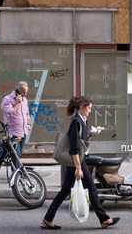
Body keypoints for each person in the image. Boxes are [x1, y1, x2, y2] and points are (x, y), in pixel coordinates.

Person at [41, 96, 120, 230]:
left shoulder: (83, 121)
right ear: (82, 107)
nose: (90, 111)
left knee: (65, 190)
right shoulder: (75, 122)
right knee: (92, 188)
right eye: (89, 108)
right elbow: (74, 148)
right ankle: (104, 219)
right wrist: (78, 167)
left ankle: (47, 219)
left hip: (77, 160)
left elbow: (81, 142)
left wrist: (91, 135)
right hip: (76, 161)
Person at [1, 81, 31, 168]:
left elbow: (27, 113)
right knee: (15, 154)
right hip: (13, 133)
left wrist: (28, 124)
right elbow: (10, 113)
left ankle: (16, 172)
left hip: (23, 131)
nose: (24, 94)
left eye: (26, 92)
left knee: (19, 153)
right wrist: (18, 103)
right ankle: (16, 175)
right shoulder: (7, 99)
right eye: (23, 92)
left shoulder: (25, 100)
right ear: (17, 90)